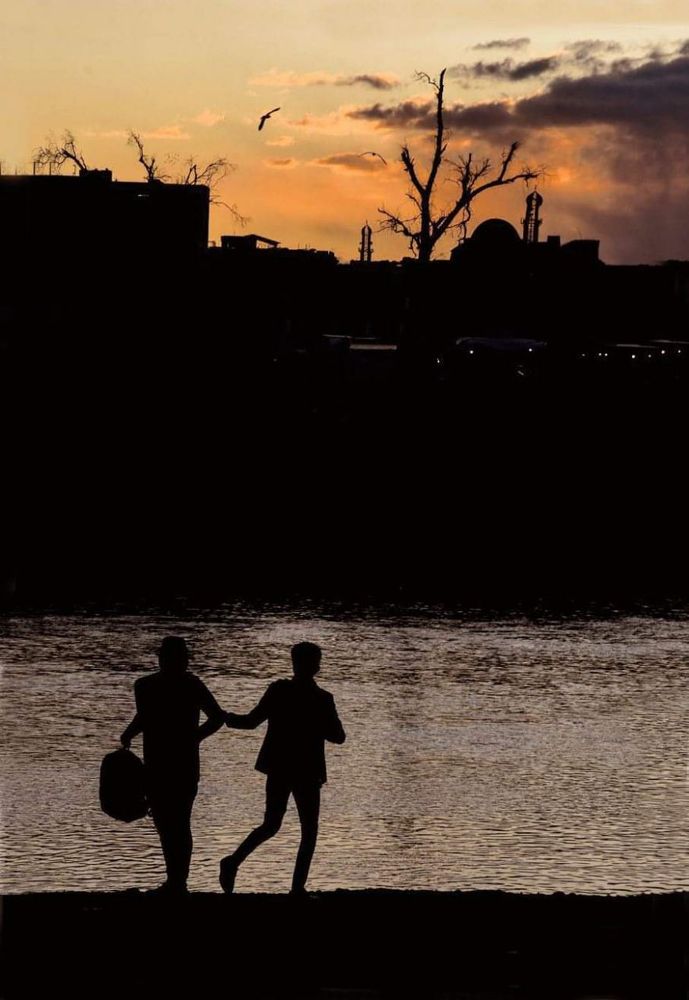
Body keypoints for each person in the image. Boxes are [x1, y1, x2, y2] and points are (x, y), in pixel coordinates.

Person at [220, 641, 346, 896]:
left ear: (294, 664)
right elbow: (338, 736)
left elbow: (250, 722)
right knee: (307, 831)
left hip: (281, 767)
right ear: (317, 666)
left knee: (272, 824)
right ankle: (296, 889)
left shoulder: (280, 690)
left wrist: (224, 717)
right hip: (306, 770)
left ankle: (233, 862)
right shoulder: (322, 699)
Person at [120, 636, 224, 894]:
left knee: (170, 823)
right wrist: (194, 738)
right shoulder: (184, 685)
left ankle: (177, 881)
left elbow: (216, 717)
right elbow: (216, 718)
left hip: (166, 764)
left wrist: (194, 738)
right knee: (173, 823)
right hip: (173, 764)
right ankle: (177, 881)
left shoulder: (148, 685)